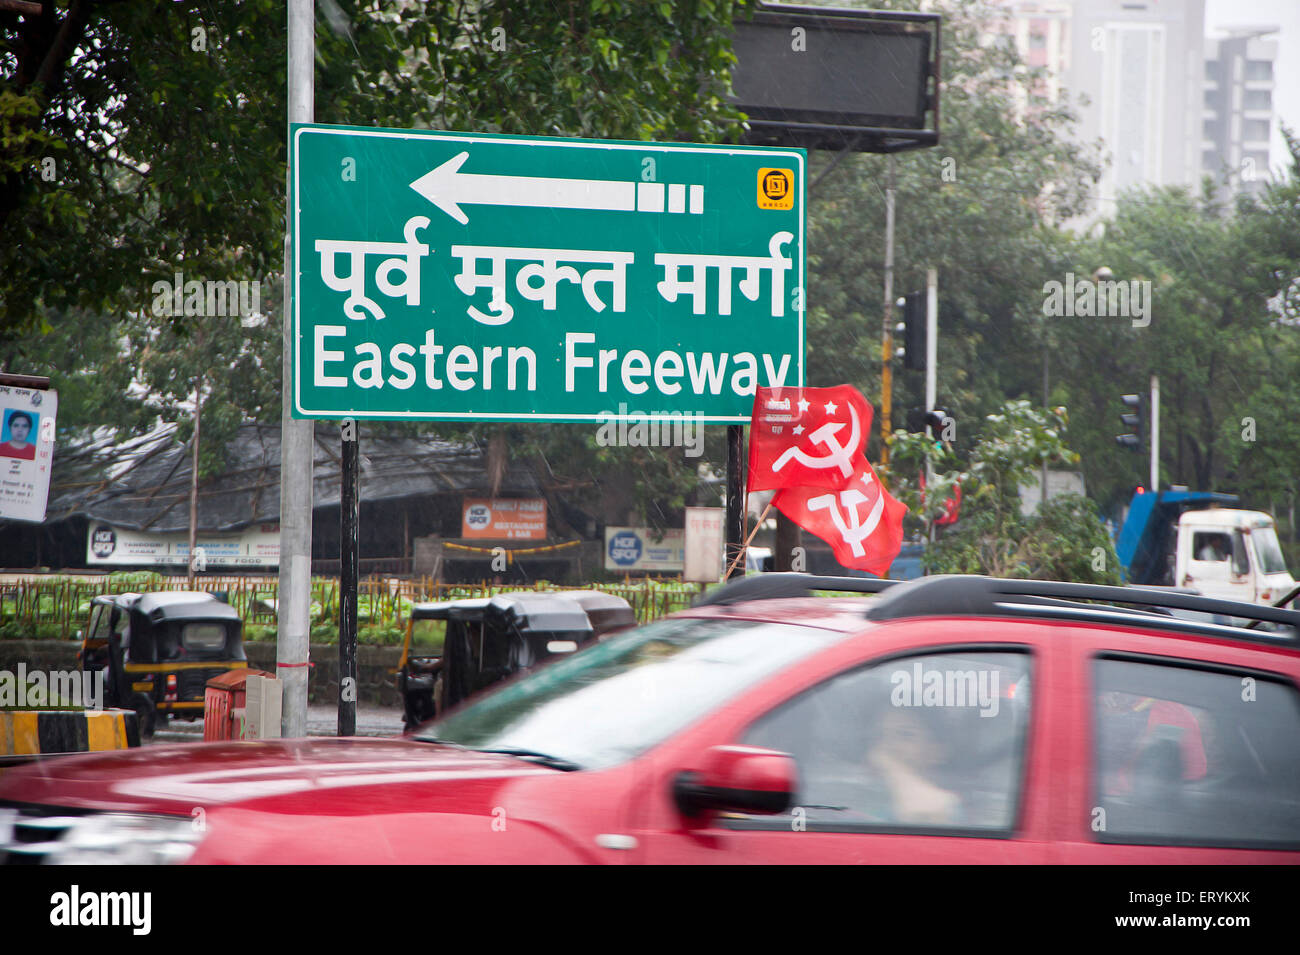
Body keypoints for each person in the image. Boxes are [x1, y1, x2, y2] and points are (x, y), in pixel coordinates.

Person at [862, 708, 961, 825]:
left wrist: (891, 767)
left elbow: (925, 811)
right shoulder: (858, 798)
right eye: (881, 735)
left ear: (938, 751)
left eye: (905, 735)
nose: (889, 745)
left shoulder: (942, 808)